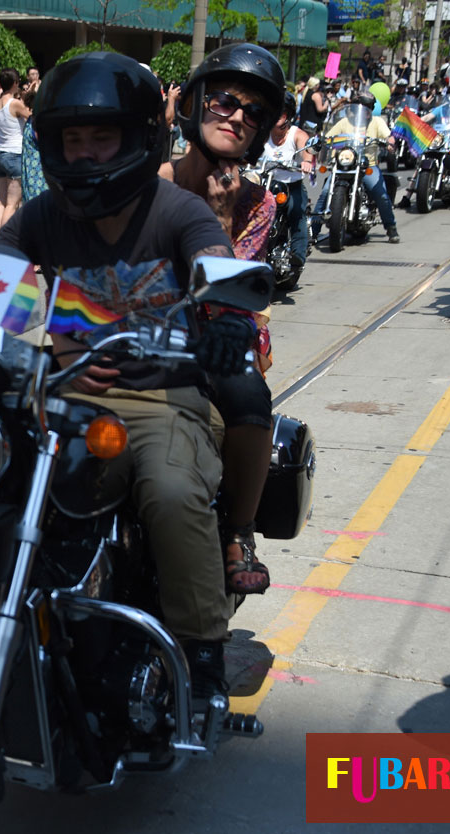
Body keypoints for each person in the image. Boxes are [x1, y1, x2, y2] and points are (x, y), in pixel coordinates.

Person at [0, 52, 253, 703]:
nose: (83, 156)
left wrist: (225, 317)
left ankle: (201, 653)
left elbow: (216, 263)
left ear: (140, 139)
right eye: (70, 140)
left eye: (100, 138)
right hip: (60, 396)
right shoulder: (41, 216)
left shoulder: (174, 211)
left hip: (159, 395)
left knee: (169, 490)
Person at [162, 42, 284, 597]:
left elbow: (234, 293)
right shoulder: (151, 180)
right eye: (226, 101)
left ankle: (238, 533)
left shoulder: (259, 202)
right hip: (144, 327)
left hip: (220, 335)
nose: (237, 116)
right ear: (195, 104)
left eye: (253, 112)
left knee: (250, 400)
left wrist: (215, 215)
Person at [313, 91, 400, 244]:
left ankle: (391, 227)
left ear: (371, 109)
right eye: (360, 106)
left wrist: (390, 142)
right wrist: (320, 141)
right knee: (325, 192)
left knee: (381, 194)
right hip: (343, 165)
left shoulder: (377, 122)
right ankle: (313, 231)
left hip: (367, 165)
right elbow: (328, 137)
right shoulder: (344, 122)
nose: (363, 110)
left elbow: (388, 135)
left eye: (366, 107)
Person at [262, 91, 311, 268]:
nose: (276, 115)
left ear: (288, 115)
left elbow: (305, 146)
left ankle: (298, 255)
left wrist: (306, 161)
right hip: (267, 183)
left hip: (291, 185)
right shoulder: (263, 133)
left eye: (281, 112)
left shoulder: (296, 134)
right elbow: (248, 148)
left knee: (295, 211)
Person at [0, 68, 30, 237]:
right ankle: (3, 242)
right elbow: (31, 116)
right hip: (14, 154)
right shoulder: (14, 103)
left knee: (1, 202)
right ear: (15, 83)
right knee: (12, 205)